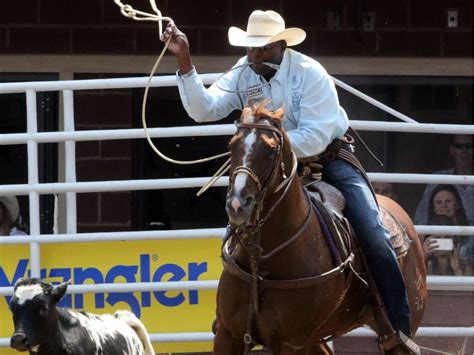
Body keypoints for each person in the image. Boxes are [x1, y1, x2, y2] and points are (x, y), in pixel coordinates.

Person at [162, 9, 415, 350]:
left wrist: (271, 144)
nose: (253, 54)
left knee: (374, 233)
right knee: (237, 230)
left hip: (328, 160)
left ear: (281, 45)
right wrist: (185, 62)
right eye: (250, 48)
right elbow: (203, 109)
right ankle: (231, 314)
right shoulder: (243, 71)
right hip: (268, 167)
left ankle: (396, 330)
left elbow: (319, 133)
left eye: (261, 48)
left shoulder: (310, 74)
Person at [415, 134, 473, 226]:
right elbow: (421, 219)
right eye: (459, 146)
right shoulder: (437, 180)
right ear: (452, 150)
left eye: (469, 146)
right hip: (440, 239)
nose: (464, 151)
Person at [425, 184, 471, 275]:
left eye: (448, 201)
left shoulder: (470, 232)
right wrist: (423, 256)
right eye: (438, 202)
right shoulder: (423, 231)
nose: (444, 206)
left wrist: (457, 268)